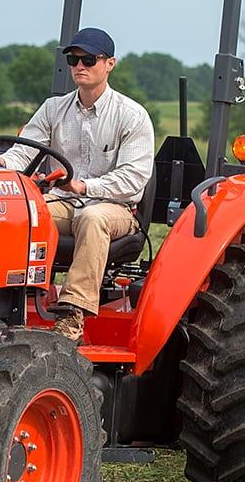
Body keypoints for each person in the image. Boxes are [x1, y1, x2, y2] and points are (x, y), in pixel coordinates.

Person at [9, 27, 155, 343]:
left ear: (110, 64)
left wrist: (83, 186)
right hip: (65, 203)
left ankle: (73, 317)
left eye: (89, 59)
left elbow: (133, 180)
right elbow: (23, 151)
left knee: (92, 217)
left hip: (116, 210)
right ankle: (10, 304)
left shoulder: (131, 116)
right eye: (74, 59)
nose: (80, 66)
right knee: (22, 214)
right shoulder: (53, 109)